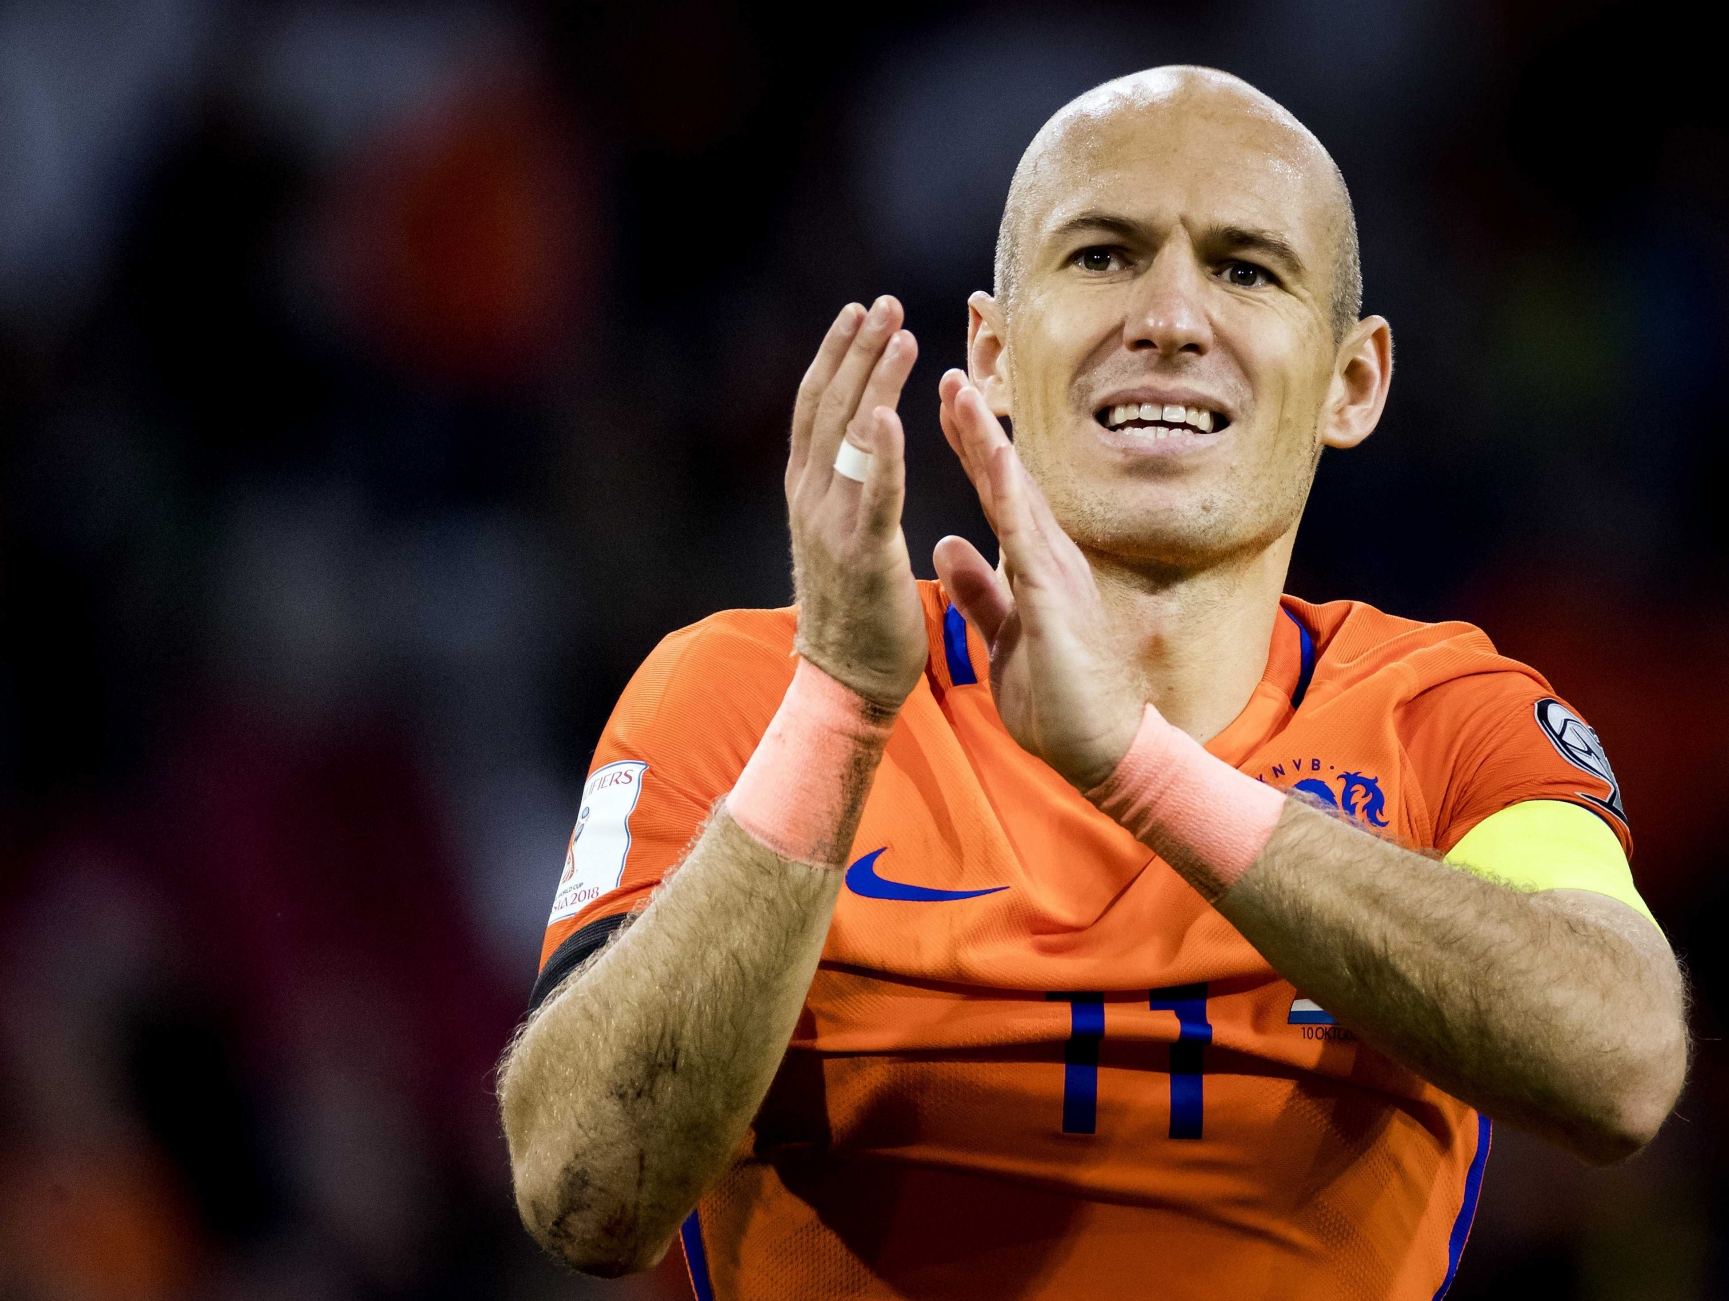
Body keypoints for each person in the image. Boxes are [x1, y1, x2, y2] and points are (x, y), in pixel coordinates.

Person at [496, 66, 1688, 1300]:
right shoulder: (751, 692)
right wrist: (842, 708)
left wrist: (1136, 764)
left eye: (1245, 268)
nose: (1170, 317)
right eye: (1104, 255)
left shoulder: (1451, 716)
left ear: (1354, 383)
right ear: (995, 352)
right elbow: (586, 1189)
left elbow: (1620, 1060)